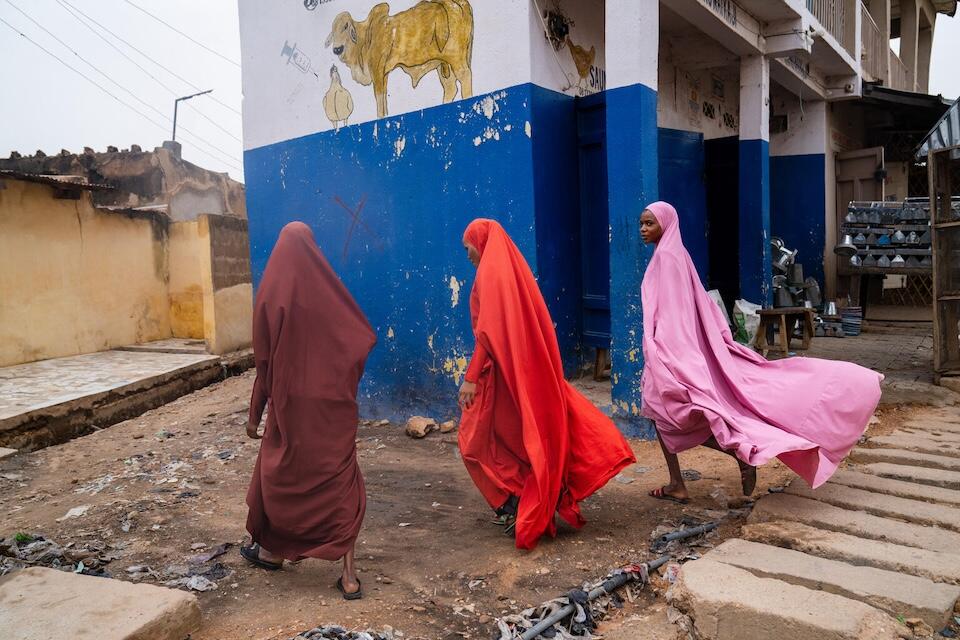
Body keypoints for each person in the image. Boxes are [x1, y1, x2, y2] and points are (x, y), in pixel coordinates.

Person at [639, 201, 883, 503]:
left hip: (672, 351)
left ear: (666, 223)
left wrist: (666, 354)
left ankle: (731, 456)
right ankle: (688, 476)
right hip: (683, 349)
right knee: (665, 413)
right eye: (642, 224)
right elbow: (700, 308)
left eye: (649, 223)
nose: (643, 230)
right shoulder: (677, 255)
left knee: (664, 412)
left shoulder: (666, 258)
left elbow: (673, 314)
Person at [457, 218, 637, 550]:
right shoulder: (507, 274)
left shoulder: (490, 277)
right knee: (513, 437)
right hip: (514, 374)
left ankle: (514, 503)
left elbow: (487, 335)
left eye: (467, 245)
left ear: (479, 242)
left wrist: (470, 379)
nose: (466, 252)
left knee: (474, 441)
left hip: (498, 376)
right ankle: (519, 499)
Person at [240, 221, 376, 600]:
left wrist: (255, 414)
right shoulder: (329, 290)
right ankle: (347, 577)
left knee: (276, 472)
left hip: (290, 404)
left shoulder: (270, 293)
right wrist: (342, 381)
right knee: (341, 480)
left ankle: (271, 550)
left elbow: (263, 363)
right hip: (332, 405)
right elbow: (362, 336)